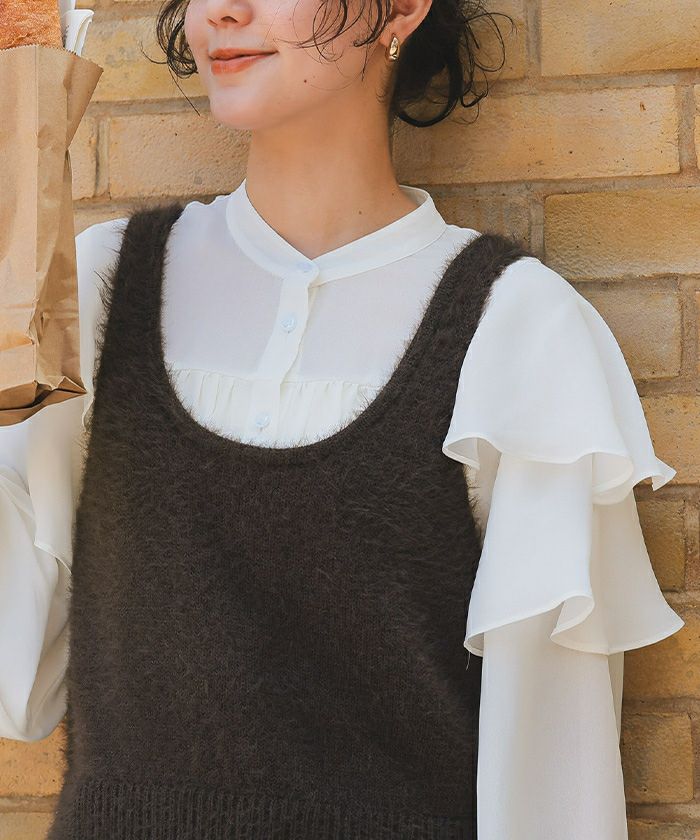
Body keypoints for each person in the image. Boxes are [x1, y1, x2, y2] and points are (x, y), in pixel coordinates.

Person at [0, 0, 684, 837]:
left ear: (402, 8)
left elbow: (554, 786)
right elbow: (17, 681)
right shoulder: (100, 283)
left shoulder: (517, 330)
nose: (222, 11)